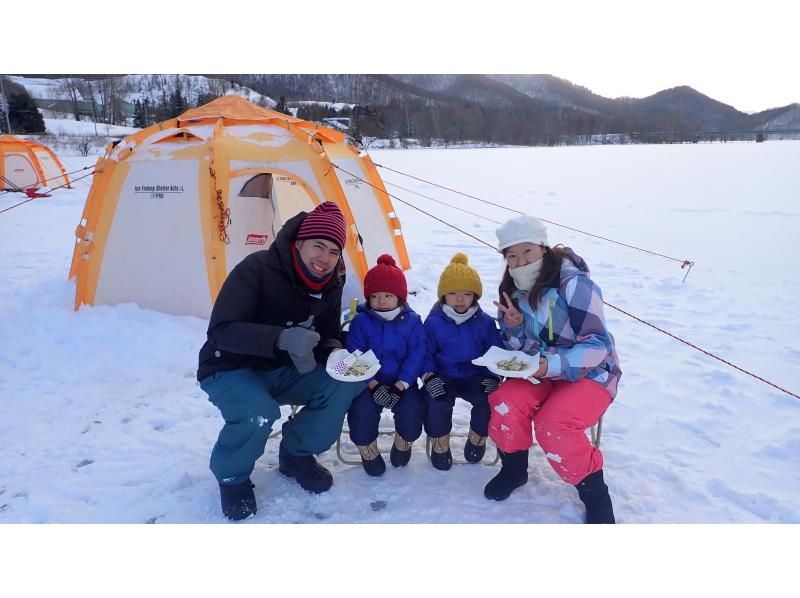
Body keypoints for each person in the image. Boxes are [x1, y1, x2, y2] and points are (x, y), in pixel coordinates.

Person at [197, 201, 366, 521]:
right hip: (230, 367)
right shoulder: (256, 269)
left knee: (347, 382)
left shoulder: (331, 284)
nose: (325, 259)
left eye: (334, 251)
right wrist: (279, 338)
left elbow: (328, 332)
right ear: (299, 243)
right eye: (318, 246)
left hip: (285, 370)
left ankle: (296, 453)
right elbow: (221, 330)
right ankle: (232, 477)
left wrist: (333, 352)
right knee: (258, 411)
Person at [485, 214, 622, 524]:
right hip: (542, 370)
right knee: (505, 402)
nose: (520, 261)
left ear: (543, 249)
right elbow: (520, 350)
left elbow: (598, 344)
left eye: (527, 251)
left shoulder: (574, 284)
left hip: (592, 372)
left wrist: (552, 365)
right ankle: (514, 470)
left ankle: (595, 494)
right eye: (512, 255)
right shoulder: (516, 291)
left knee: (554, 424)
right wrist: (515, 328)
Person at [345, 254, 426, 477]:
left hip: (402, 382)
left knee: (412, 412)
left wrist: (402, 384)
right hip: (369, 383)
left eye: (388, 295)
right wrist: (371, 384)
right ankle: (368, 449)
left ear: (399, 297)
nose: (381, 301)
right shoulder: (361, 321)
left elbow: (417, 354)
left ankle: (403, 442)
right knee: (361, 414)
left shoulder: (412, 321)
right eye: (375, 296)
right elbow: (355, 354)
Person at [420, 253, 502, 470]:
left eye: (466, 294)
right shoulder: (434, 322)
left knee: (489, 400)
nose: (459, 299)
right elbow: (425, 352)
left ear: (474, 296)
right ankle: (440, 443)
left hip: (475, 375)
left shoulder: (484, 322)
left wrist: (494, 375)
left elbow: (495, 350)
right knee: (436, 401)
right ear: (443, 296)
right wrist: (429, 376)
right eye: (453, 293)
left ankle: (477, 438)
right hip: (443, 375)